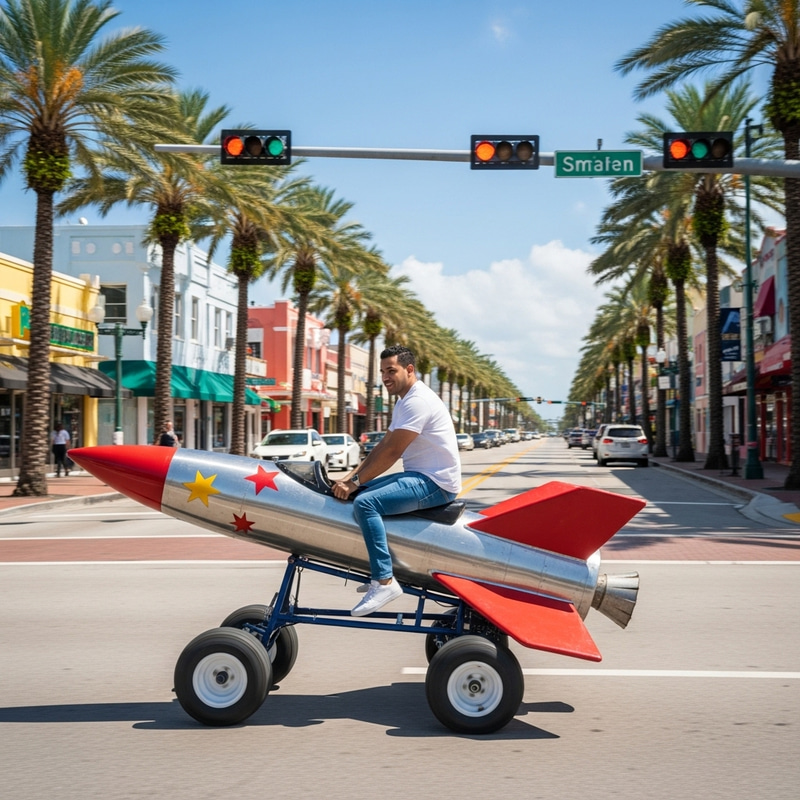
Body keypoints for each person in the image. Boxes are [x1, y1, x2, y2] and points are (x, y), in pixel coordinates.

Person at [333, 345, 461, 617]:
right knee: (359, 492)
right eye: (382, 372)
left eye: (391, 371)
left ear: (409, 369)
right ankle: (378, 569)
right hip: (419, 476)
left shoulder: (418, 401)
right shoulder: (404, 401)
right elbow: (383, 445)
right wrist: (350, 479)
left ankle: (384, 582)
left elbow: (393, 452)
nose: (385, 377)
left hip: (436, 483)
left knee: (366, 503)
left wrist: (354, 482)